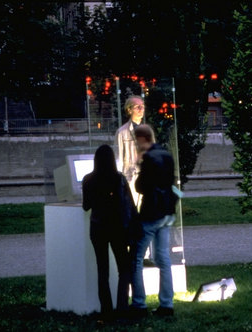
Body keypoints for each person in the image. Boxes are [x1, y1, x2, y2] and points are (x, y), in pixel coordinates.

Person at [82, 144, 135, 321]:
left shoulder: (88, 179)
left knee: (102, 270)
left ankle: (106, 310)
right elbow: (129, 204)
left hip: (97, 228)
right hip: (117, 227)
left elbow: (86, 206)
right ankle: (122, 308)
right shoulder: (118, 179)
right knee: (124, 268)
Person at [130, 124, 178, 317]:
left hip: (152, 213)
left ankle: (139, 304)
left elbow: (141, 186)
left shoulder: (149, 158)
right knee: (163, 258)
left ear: (142, 139)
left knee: (136, 259)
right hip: (167, 211)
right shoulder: (166, 154)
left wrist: (139, 165)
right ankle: (167, 304)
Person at [115, 95, 146, 205]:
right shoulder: (122, 132)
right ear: (129, 109)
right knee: (132, 207)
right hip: (131, 176)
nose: (141, 109)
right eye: (137, 107)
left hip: (145, 175)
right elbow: (119, 157)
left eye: (142, 106)